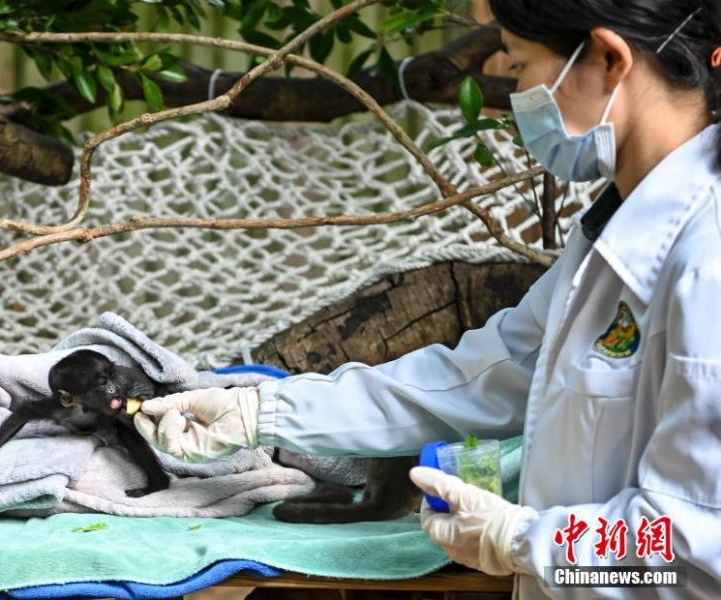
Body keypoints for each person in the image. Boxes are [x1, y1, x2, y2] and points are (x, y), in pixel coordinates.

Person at [135, 1, 721, 597]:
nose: (517, 92)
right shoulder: (611, 237)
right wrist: (259, 413)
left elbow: (698, 547)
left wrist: (522, 539)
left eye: (519, 65)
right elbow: (477, 379)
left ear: (609, 59)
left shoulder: (708, 260)